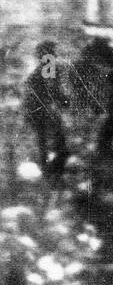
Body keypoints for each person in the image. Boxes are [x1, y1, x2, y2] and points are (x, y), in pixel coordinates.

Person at [21, 40, 71, 185]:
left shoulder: (45, 67)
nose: (55, 54)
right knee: (53, 140)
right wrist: (63, 100)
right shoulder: (48, 66)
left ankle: (50, 170)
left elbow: (51, 89)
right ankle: (53, 172)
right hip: (40, 109)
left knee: (45, 140)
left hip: (37, 108)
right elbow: (51, 89)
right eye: (52, 51)